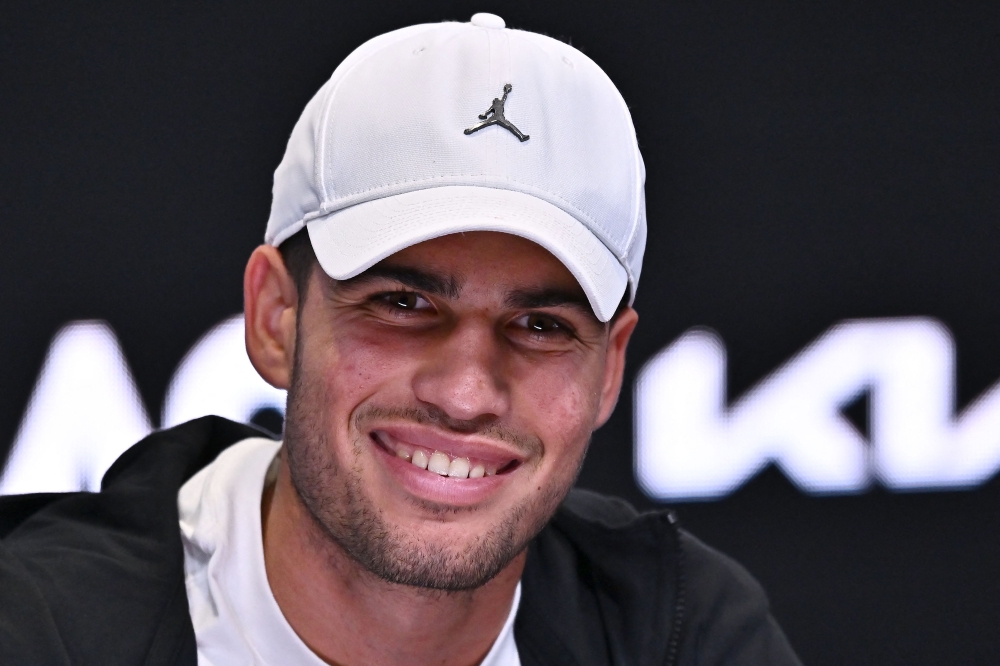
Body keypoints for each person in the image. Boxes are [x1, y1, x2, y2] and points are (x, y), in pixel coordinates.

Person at [0, 13, 802, 666]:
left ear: (609, 369)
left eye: (540, 326)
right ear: (277, 316)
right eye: (404, 303)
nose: (464, 392)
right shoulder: (42, 629)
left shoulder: (681, 635)